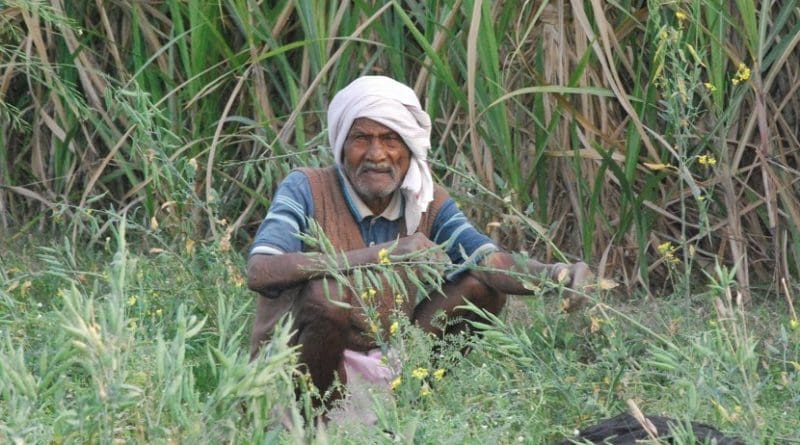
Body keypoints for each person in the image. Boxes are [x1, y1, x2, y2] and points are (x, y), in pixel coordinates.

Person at [246, 75, 592, 410]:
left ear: (410, 148)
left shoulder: (425, 201)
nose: (376, 154)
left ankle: (404, 404)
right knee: (328, 296)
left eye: (390, 139)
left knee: (482, 288)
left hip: (381, 362)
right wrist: (383, 254)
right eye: (361, 138)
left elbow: (488, 261)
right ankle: (315, 422)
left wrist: (557, 275)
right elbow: (261, 271)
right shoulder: (307, 187)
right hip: (296, 369)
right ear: (342, 145)